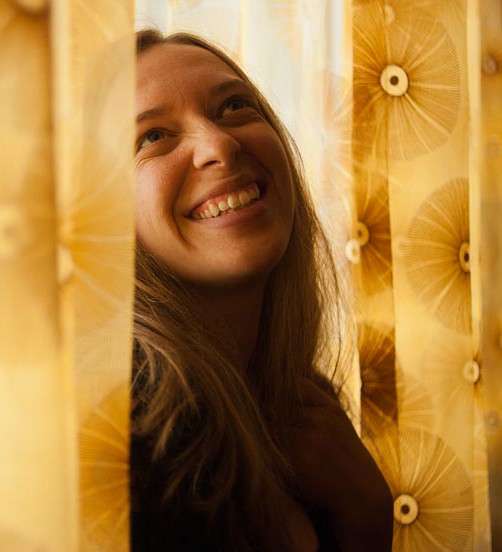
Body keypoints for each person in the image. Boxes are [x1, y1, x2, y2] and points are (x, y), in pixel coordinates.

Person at [129, 29, 393, 551]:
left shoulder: (302, 399)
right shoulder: (123, 445)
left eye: (233, 106)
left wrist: (364, 516)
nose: (220, 145)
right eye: (153, 136)